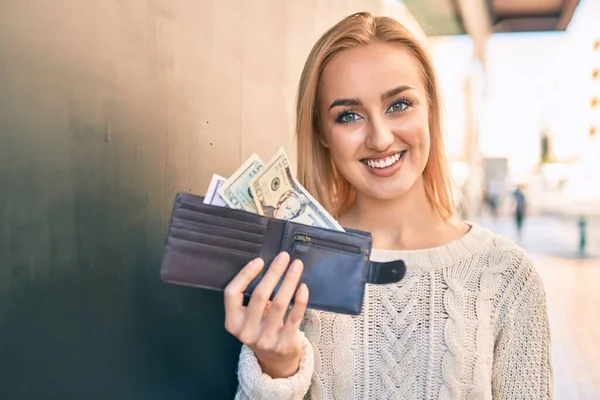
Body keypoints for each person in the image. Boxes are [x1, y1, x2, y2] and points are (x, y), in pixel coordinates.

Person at [224, 12, 553, 399]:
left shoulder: (507, 276)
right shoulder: (290, 267)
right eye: (348, 115)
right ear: (322, 135)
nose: (380, 138)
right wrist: (276, 374)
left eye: (398, 105)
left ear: (430, 108)